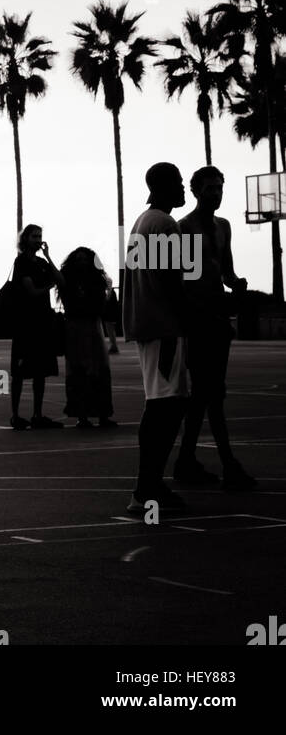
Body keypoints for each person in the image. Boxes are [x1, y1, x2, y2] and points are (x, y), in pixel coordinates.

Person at [174, 167, 256, 491]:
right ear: (196, 192)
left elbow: (225, 271)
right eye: (209, 189)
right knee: (211, 394)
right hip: (198, 322)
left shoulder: (223, 227)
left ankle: (187, 460)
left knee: (205, 395)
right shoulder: (185, 229)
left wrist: (237, 285)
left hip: (217, 320)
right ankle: (227, 464)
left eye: (219, 188)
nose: (216, 194)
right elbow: (184, 282)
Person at [123, 162, 189, 514]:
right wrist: (190, 319)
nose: (182, 189)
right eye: (178, 182)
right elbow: (174, 282)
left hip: (148, 325)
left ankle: (148, 485)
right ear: (164, 186)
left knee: (161, 404)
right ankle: (146, 488)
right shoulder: (165, 224)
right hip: (164, 327)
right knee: (166, 405)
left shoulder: (140, 222)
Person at [9, 225, 65, 429]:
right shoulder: (21, 261)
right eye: (34, 236)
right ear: (26, 239)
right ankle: (15, 415)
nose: (38, 239)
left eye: (40, 236)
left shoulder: (41, 263)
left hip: (42, 323)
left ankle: (37, 414)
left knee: (40, 372)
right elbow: (30, 291)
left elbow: (61, 280)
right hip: (25, 323)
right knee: (19, 372)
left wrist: (49, 256)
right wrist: (48, 287)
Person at [58, 249, 117, 429]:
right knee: (93, 372)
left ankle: (86, 415)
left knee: (84, 372)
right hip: (88, 327)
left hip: (82, 327)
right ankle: (97, 415)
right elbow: (103, 304)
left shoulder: (69, 280)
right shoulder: (94, 281)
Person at [103, 276, 120, 353]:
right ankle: (113, 346)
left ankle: (114, 346)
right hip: (110, 315)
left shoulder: (110, 293)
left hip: (109, 315)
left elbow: (112, 305)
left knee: (110, 331)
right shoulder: (112, 292)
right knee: (111, 331)